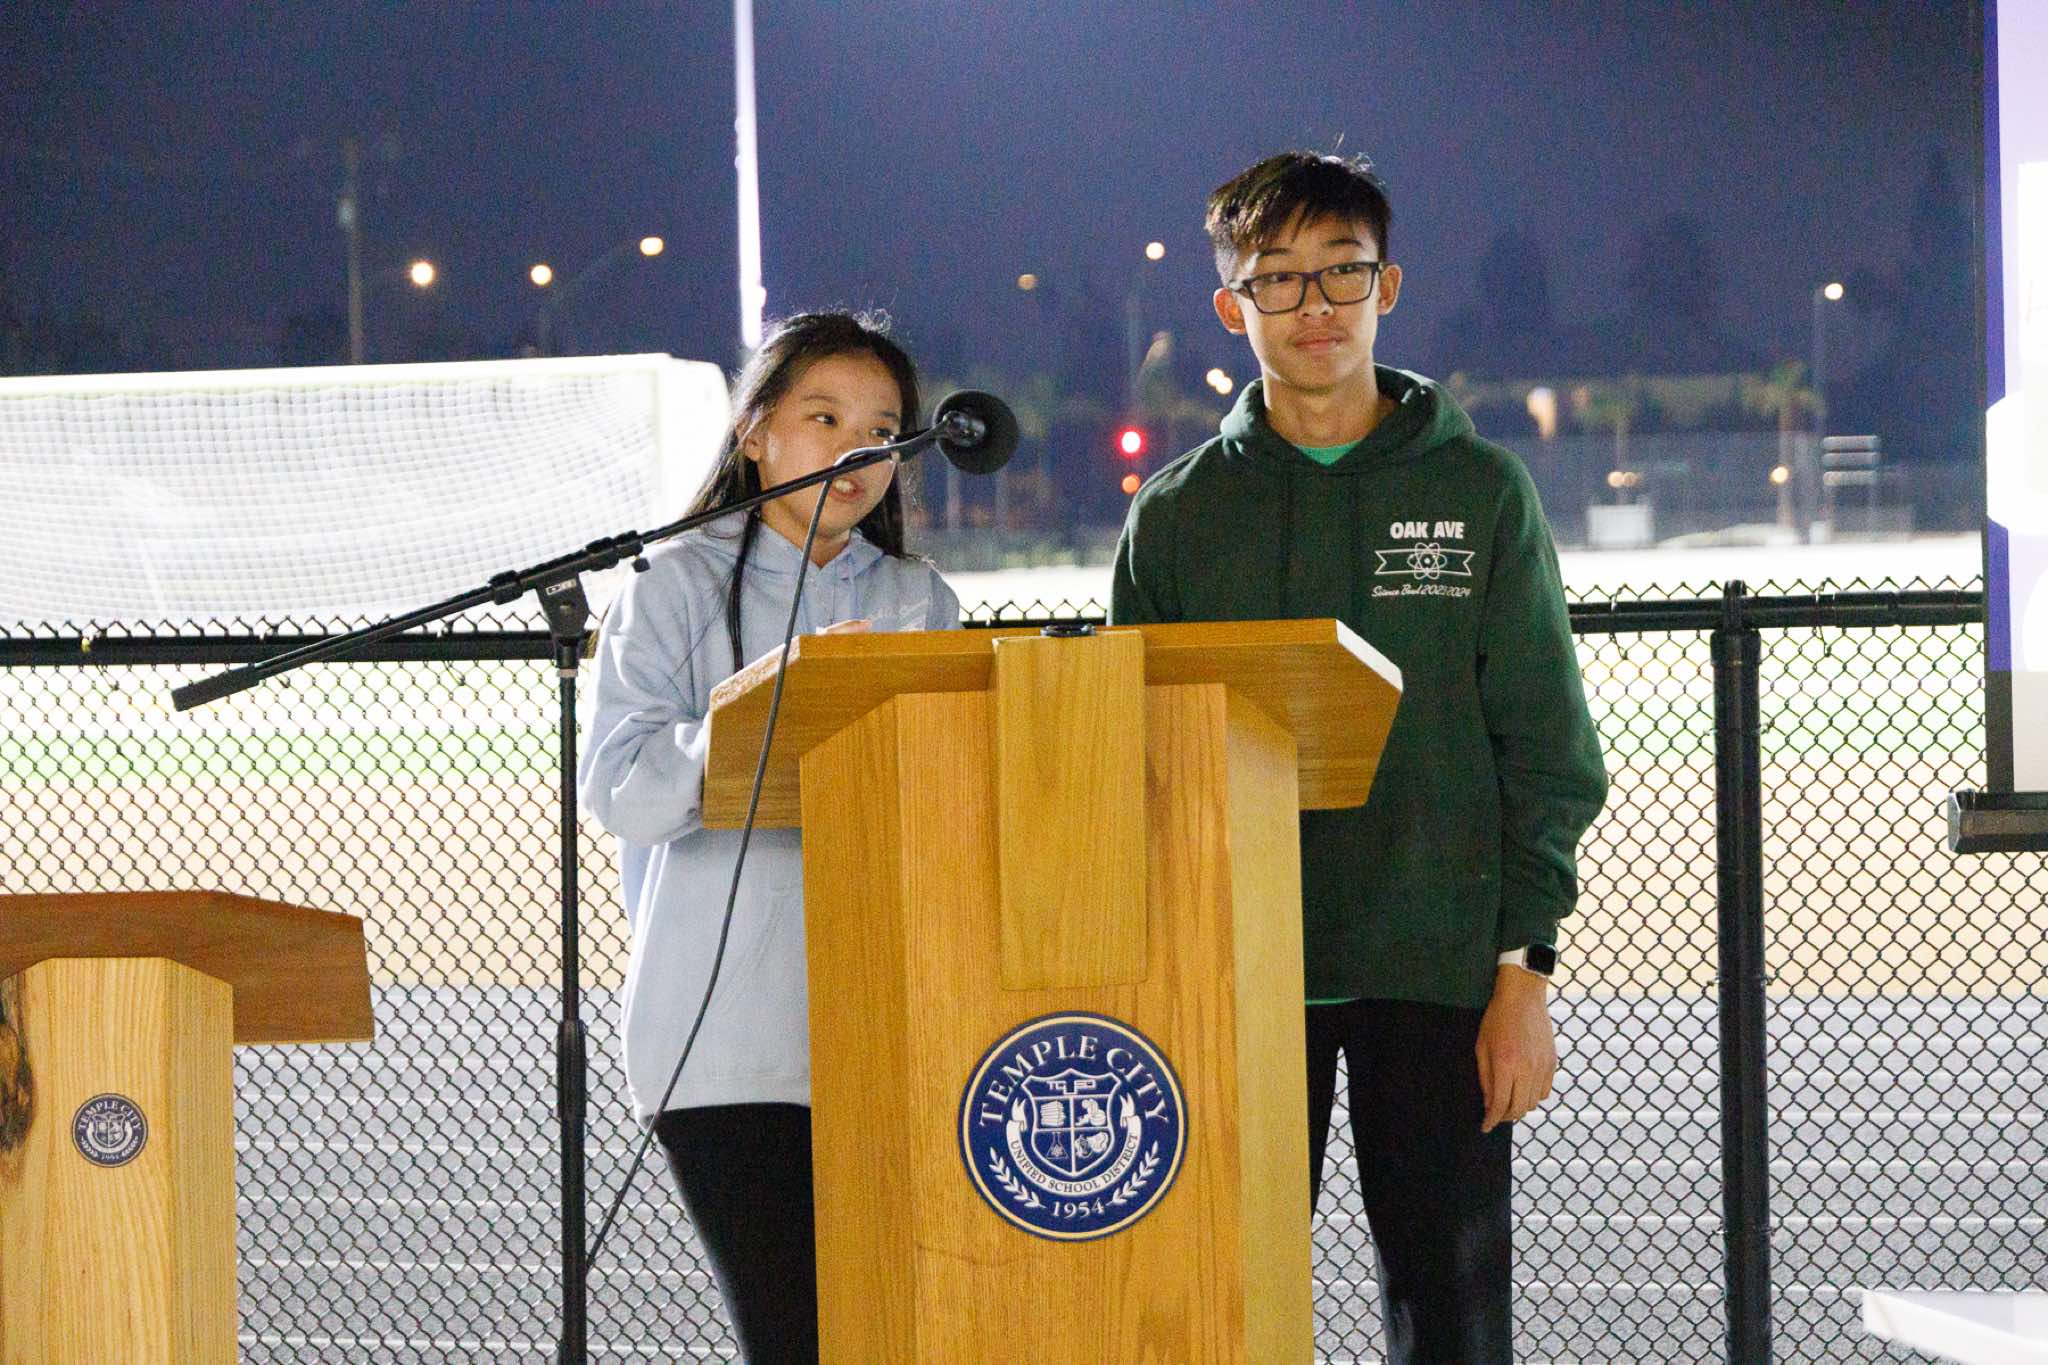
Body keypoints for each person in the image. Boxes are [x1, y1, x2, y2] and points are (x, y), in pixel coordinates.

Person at [1110, 151, 1608, 1364]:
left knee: (1449, 1315)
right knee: (1220, 1309)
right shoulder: (1175, 515)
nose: (1314, 305)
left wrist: (1522, 979)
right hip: (1235, 977)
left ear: (1387, 286)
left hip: (1436, 973)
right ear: (1230, 307)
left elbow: (1545, 753)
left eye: (1341, 271)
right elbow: (1137, 764)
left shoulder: (1479, 490)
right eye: (1276, 278)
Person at [579, 310, 961, 1365]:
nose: (855, 450)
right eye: (824, 417)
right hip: (723, 1049)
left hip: (888, 1035)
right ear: (755, 433)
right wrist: (762, 708)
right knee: (797, 1341)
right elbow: (620, 791)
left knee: (891, 1339)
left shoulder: (916, 598)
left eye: (881, 429)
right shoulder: (669, 584)